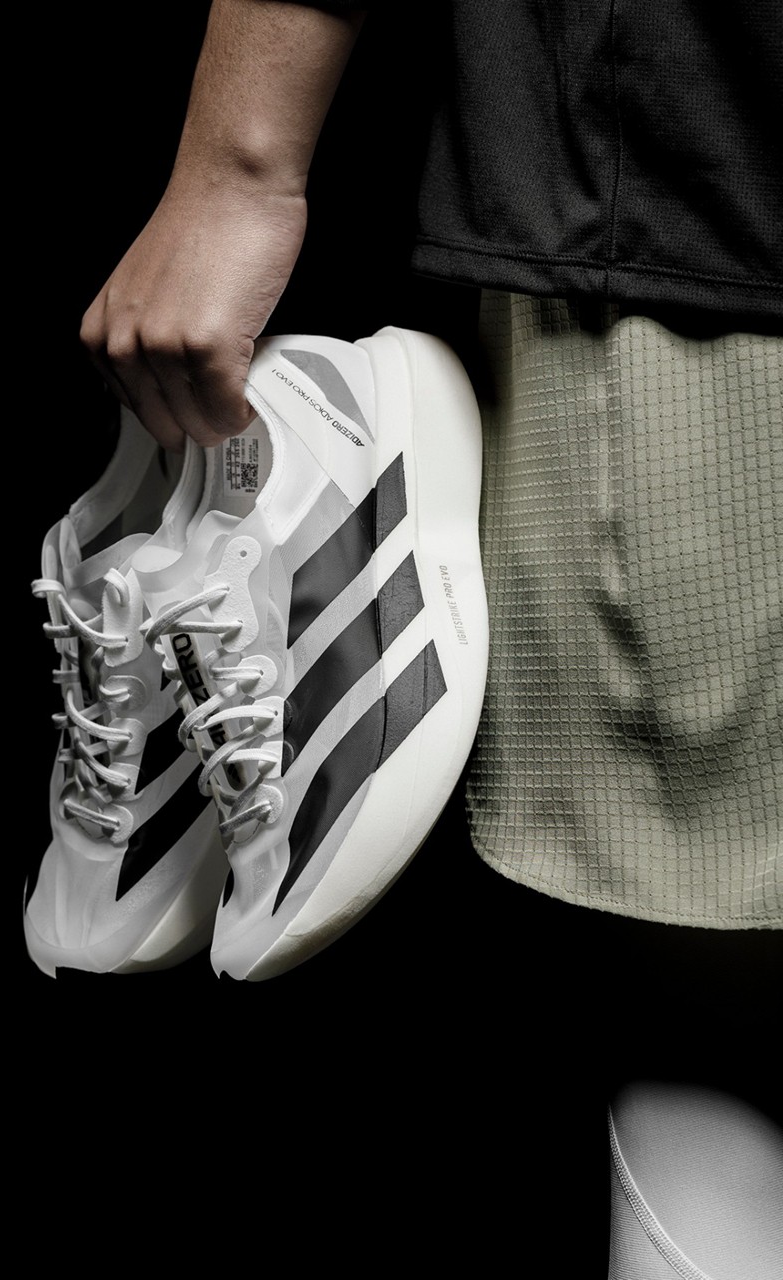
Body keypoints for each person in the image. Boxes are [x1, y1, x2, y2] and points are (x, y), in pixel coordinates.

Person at [78, 2, 782, 1270]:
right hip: (696, 179)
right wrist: (240, 159)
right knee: (712, 960)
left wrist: (237, 160)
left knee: (714, 982)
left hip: (689, 180)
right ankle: (206, 552)